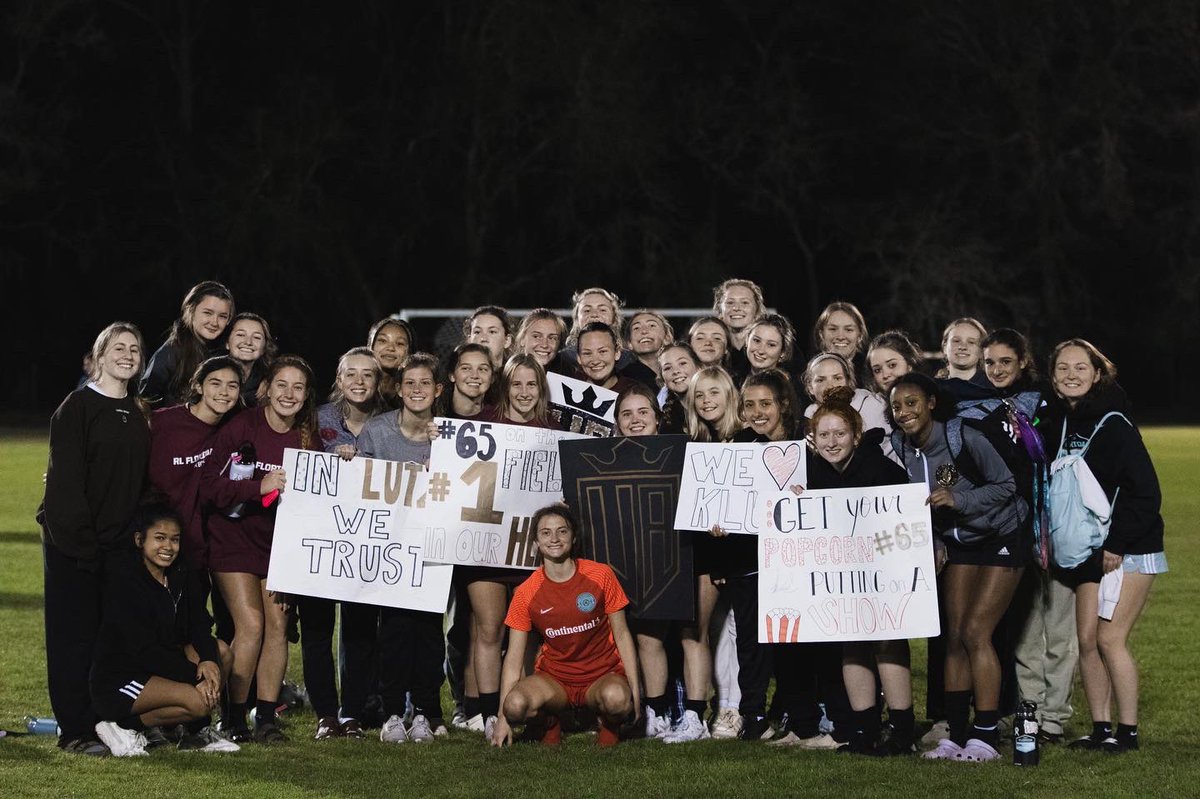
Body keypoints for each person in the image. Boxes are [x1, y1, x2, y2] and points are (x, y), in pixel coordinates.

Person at [888, 373, 1028, 762]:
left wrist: (959, 499)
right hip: (958, 542)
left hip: (1002, 534)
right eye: (897, 406)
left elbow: (1008, 485)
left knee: (976, 632)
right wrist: (934, 541)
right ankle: (955, 734)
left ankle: (985, 736)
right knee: (953, 636)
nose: (904, 413)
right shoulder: (902, 445)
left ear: (931, 403)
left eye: (912, 403)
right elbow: (917, 502)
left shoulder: (964, 437)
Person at [1046, 340, 1165, 753]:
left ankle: (1127, 733)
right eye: (1063, 368)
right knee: (1086, 640)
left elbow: (1147, 493)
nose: (1071, 375)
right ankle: (1100, 729)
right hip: (1086, 549)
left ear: (1097, 373)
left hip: (1128, 547)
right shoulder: (1061, 421)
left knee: (1111, 640)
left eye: (1081, 368)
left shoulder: (1115, 422)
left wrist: (1118, 543)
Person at [38, 322, 152, 755]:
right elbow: (65, 487)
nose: (127, 354)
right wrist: (85, 548)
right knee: (73, 640)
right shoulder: (77, 407)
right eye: (118, 347)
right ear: (99, 356)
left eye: (135, 349)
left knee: (109, 642)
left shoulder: (137, 413)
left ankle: (106, 722)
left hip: (119, 548)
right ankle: (75, 731)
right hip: (75, 548)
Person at [201, 355, 319, 743]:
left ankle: (265, 718)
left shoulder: (306, 435)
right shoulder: (241, 425)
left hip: (278, 546)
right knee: (250, 625)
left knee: (279, 627)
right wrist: (258, 486)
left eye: (298, 387)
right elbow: (211, 489)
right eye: (281, 385)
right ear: (266, 388)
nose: (289, 394)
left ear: (306, 396)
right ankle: (232, 716)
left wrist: (344, 463)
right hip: (233, 539)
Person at [794, 387, 913, 755]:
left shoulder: (882, 469)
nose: (832, 442)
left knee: (886, 643)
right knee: (851, 644)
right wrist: (798, 501)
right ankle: (864, 731)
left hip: (883, 570)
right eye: (824, 435)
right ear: (813, 439)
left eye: (840, 434)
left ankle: (902, 733)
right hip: (843, 578)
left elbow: (905, 517)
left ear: (856, 435)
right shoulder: (812, 472)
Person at [460, 354, 558, 738]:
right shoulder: (482, 425)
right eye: (516, 384)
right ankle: (488, 713)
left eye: (531, 384)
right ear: (505, 386)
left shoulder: (553, 432)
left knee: (531, 635)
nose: (523, 392)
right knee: (488, 632)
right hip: (484, 546)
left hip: (529, 551)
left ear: (541, 388)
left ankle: (527, 709)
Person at [90, 505, 238, 756]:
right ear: (140, 540)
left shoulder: (182, 573)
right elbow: (143, 651)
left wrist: (209, 661)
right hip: (122, 676)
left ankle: (195, 735)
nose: (168, 547)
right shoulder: (125, 582)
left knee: (222, 652)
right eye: (159, 538)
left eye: (175, 539)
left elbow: (199, 623)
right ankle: (122, 726)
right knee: (197, 702)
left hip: (160, 666)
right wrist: (196, 677)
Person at [490, 504, 639, 748]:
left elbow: (622, 635)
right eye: (546, 533)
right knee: (515, 706)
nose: (555, 539)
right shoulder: (526, 593)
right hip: (555, 680)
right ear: (536, 542)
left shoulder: (601, 575)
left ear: (574, 536)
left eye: (562, 531)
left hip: (601, 676)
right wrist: (503, 718)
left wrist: (635, 691)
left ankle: (610, 723)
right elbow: (513, 659)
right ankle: (550, 721)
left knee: (617, 700)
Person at [357, 353, 448, 743]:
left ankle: (426, 712)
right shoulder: (377, 431)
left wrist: (444, 453)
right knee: (393, 632)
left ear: (438, 390)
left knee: (428, 633)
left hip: (433, 550)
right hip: (389, 550)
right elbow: (356, 485)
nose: (416, 390)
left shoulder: (451, 435)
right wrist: (350, 460)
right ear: (398, 388)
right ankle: (393, 711)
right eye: (409, 383)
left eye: (425, 383)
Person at [303, 348, 389, 740]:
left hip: (365, 542)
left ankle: (351, 713)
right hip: (320, 540)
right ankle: (325, 715)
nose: (358, 381)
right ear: (338, 380)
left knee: (359, 630)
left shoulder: (390, 424)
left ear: (378, 381)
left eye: (367, 375)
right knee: (317, 630)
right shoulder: (315, 419)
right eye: (350, 374)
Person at [666, 365, 746, 743]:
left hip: (739, 555)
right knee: (702, 628)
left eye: (714, 392)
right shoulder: (691, 446)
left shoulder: (747, 441)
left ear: (730, 396)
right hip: (701, 551)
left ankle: (735, 708)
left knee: (735, 631)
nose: (707, 401)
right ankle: (704, 712)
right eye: (699, 395)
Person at [611, 383, 679, 737]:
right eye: (627, 414)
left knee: (651, 639)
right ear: (617, 422)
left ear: (656, 418)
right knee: (619, 640)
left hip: (661, 558)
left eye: (643, 413)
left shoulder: (677, 456)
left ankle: (657, 710)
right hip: (617, 559)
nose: (635, 420)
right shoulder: (602, 458)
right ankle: (625, 710)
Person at [142, 281, 235, 408]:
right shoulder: (170, 353)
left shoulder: (222, 352)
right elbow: (145, 401)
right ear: (190, 310)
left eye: (223, 316)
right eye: (208, 313)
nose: (215, 322)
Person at [802, 353, 894, 462]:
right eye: (821, 380)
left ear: (849, 381)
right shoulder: (809, 417)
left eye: (837, 378)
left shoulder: (873, 405)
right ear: (810, 387)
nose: (830, 385)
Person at [224, 313, 276, 407]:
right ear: (227, 342)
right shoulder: (208, 371)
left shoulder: (266, 381)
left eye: (256, 337)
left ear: (264, 348)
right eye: (240, 335)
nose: (248, 342)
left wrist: (271, 380)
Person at [576, 321, 641, 394]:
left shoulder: (635, 392)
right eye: (587, 353)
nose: (595, 361)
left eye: (602, 352)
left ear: (617, 353)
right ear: (578, 357)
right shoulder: (566, 388)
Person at [937, 318, 993, 399]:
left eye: (971, 342)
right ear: (945, 347)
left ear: (981, 351)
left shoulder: (992, 390)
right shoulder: (932, 389)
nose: (962, 347)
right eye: (956, 341)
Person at [368, 317, 416, 408]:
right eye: (382, 341)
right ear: (370, 346)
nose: (390, 348)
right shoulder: (357, 387)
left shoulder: (416, 393)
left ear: (409, 352)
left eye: (400, 343)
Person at [656, 342, 701, 435]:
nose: (676, 371)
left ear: (698, 367)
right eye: (667, 368)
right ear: (663, 378)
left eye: (682, 363)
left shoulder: (714, 407)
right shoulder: (664, 421)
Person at [514, 308, 574, 377]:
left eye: (551, 338)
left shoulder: (571, 376)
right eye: (536, 336)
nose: (544, 345)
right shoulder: (506, 375)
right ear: (522, 339)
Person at [623, 310, 673, 388]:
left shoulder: (681, 373)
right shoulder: (624, 379)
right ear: (630, 343)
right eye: (636, 328)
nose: (644, 331)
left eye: (652, 325)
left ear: (667, 338)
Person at [866, 330, 923, 397]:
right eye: (877, 370)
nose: (885, 375)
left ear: (909, 364)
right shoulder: (867, 404)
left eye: (892, 365)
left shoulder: (930, 398)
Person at [464, 305, 515, 371]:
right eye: (477, 332)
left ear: (507, 340)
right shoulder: (458, 377)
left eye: (492, 332)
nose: (484, 339)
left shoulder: (516, 378)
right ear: (469, 340)